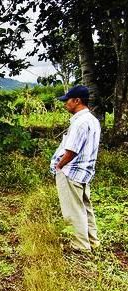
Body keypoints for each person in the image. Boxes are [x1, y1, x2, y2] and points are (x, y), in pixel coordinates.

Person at [50, 85, 101, 252]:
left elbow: (71, 151)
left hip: (71, 171)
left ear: (77, 101)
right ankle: (92, 242)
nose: (66, 104)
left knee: (73, 210)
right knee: (85, 208)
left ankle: (80, 246)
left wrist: (59, 165)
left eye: (68, 101)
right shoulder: (93, 120)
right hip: (84, 172)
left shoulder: (80, 122)